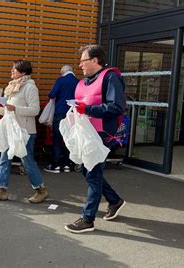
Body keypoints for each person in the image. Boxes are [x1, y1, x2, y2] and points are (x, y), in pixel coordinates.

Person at [65, 45, 126, 233]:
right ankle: (114, 200)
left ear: (94, 60)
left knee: (92, 171)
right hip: (87, 131)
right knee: (88, 169)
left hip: (102, 133)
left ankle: (88, 218)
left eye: (83, 61)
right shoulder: (85, 81)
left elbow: (116, 107)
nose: (80, 65)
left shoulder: (110, 77)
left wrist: (88, 110)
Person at [0, 60, 48, 204]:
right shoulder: (12, 87)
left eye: (14, 69)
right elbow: (7, 111)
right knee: (4, 158)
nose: (11, 71)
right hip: (11, 130)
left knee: (27, 161)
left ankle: (41, 190)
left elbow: (35, 110)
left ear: (23, 72)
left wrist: (15, 109)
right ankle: (1, 190)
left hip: (25, 131)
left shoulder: (30, 88)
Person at [44, 65, 79, 174]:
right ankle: (68, 164)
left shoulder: (61, 80)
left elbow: (52, 94)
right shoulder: (78, 82)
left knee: (57, 139)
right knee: (70, 138)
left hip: (60, 113)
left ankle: (57, 165)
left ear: (63, 72)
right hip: (73, 114)